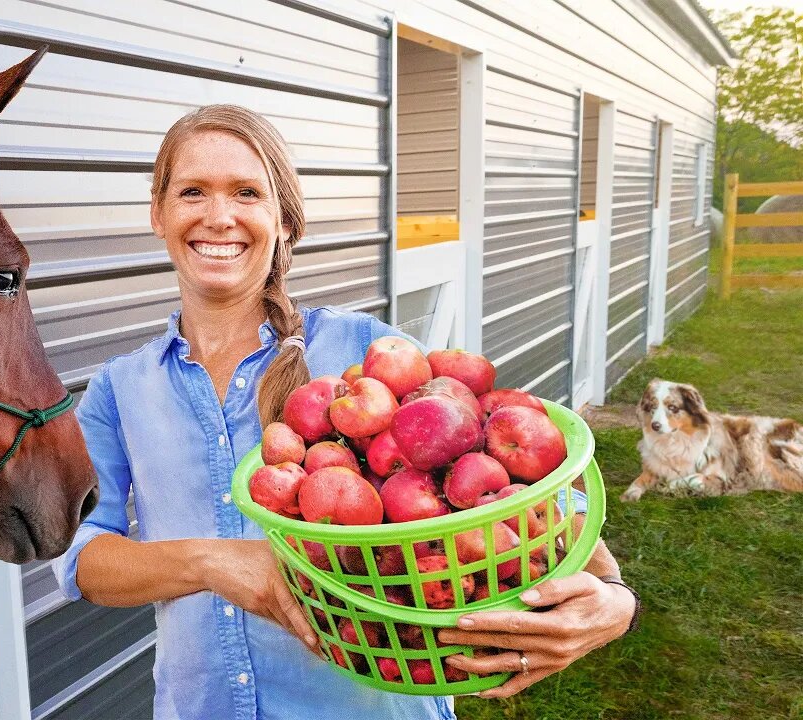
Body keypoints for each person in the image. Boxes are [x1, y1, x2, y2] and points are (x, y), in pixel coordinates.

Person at [52, 105, 637, 720]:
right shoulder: (120, 390)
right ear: (159, 213)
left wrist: (615, 599)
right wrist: (214, 562)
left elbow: (540, 499)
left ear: (283, 221)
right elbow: (82, 559)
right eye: (192, 191)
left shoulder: (366, 356)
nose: (218, 216)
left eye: (247, 193)